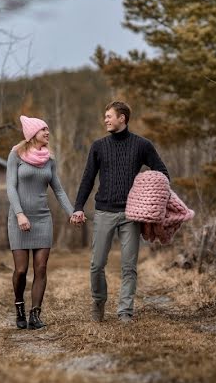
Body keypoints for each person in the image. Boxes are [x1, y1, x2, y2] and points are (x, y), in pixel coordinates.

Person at [71, 101, 169, 324]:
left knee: (128, 266)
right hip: (104, 211)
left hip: (131, 214)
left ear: (122, 118)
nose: (105, 119)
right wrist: (78, 206)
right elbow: (88, 179)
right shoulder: (98, 146)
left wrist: (147, 192)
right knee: (96, 265)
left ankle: (125, 311)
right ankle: (98, 302)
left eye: (109, 116)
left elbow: (162, 173)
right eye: (105, 116)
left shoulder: (142, 145)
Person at [6, 115, 75, 329]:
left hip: (43, 219)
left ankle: (35, 314)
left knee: (41, 268)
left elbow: (59, 190)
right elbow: (10, 187)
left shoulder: (49, 160)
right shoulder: (15, 155)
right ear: (32, 134)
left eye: (48, 129)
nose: (47, 133)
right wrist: (19, 214)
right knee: (20, 270)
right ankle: (19, 307)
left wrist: (73, 212)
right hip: (19, 219)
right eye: (43, 129)